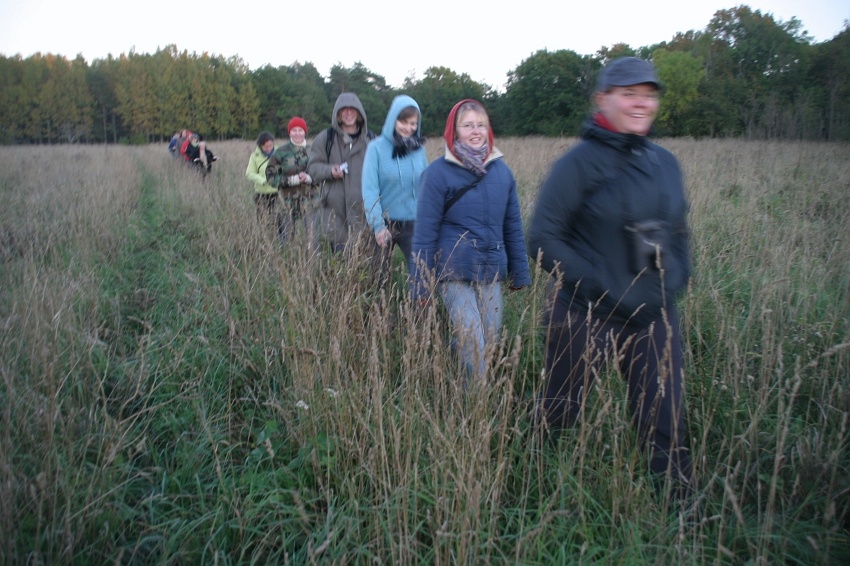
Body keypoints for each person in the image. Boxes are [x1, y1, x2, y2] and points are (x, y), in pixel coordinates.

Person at [526, 57, 693, 499]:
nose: (641, 103)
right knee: (560, 409)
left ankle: (680, 509)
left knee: (665, 416)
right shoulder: (576, 165)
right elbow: (542, 237)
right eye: (629, 93)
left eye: (649, 95)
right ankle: (531, 486)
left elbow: (679, 232)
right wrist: (601, 285)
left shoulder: (665, 163)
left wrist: (676, 278)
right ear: (602, 99)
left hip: (654, 315)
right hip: (585, 313)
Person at [411, 99, 531, 381]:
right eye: (467, 125)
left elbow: (513, 225)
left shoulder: (503, 173)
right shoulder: (437, 173)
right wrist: (420, 284)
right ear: (454, 131)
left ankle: (455, 363)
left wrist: (520, 271)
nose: (475, 131)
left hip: (491, 267)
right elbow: (424, 232)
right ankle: (476, 398)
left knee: (489, 338)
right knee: (474, 342)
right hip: (453, 269)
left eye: (480, 125)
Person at [362, 94, 427, 287]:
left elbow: (426, 184)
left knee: (422, 275)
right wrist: (378, 226)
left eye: (413, 123)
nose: (408, 128)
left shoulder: (419, 149)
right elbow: (370, 190)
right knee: (379, 278)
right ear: (393, 120)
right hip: (384, 222)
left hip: (413, 221)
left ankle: (419, 307)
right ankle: (380, 307)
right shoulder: (375, 148)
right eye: (403, 122)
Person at [307, 92, 372, 252]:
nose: (348, 113)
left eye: (352, 109)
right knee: (341, 260)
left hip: (364, 215)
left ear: (359, 113)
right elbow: (312, 168)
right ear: (338, 114)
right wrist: (330, 171)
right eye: (344, 110)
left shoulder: (371, 140)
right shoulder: (325, 139)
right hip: (335, 215)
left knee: (365, 260)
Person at [266, 117, 317, 245]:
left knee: (312, 239)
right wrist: (291, 180)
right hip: (287, 203)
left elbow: (322, 174)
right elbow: (270, 177)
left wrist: (309, 178)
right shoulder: (280, 152)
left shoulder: (314, 151)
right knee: (286, 239)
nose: (297, 133)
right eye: (294, 130)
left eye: (300, 130)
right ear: (289, 132)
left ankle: (312, 257)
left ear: (305, 132)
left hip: (310, 202)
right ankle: (286, 257)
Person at [245, 131, 280, 231]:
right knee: (263, 222)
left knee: (280, 221)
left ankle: (282, 239)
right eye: (265, 147)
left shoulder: (280, 153)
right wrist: (263, 181)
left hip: (278, 193)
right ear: (260, 146)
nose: (269, 149)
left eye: (270, 146)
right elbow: (249, 173)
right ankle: (265, 238)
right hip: (262, 194)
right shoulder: (255, 156)